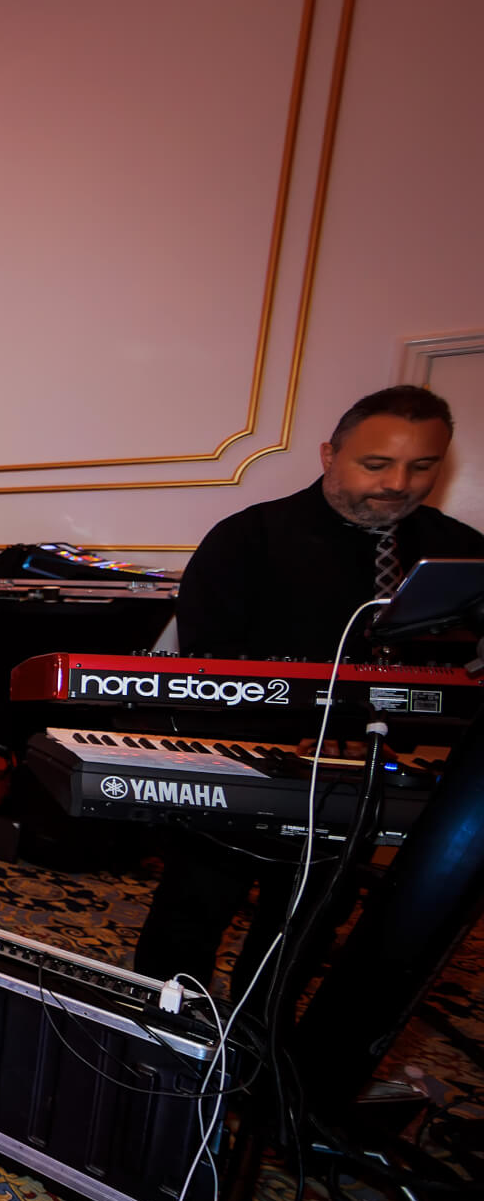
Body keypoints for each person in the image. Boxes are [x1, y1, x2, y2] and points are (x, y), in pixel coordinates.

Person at [134, 384, 484, 1003]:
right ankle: (161, 1031)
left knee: (306, 925)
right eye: (376, 464)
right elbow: (208, 668)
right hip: (245, 766)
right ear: (329, 455)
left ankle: (257, 1032)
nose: (397, 483)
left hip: (371, 780)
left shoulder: (460, 553)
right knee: (192, 910)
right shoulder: (248, 538)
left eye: (421, 466)